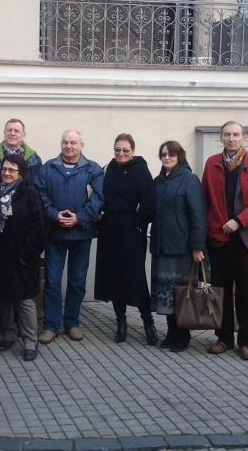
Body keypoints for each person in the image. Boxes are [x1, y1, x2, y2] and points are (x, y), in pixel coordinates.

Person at [202, 121, 248, 361]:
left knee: (245, 294)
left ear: (244, 137)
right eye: (227, 135)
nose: (231, 139)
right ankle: (223, 338)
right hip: (218, 238)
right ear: (221, 138)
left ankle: (246, 341)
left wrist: (239, 221)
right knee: (218, 291)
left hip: (244, 238)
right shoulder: (212, 164)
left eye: (236, 134)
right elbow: (206, 199)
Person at [35, 130, 104, 344]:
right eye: (65, 142)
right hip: (55, 233)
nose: (69, 146)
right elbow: (40, 194)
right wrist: (53, 214)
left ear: (81, 145)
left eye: (73, 143)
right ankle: (51, 325)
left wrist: (80, 217)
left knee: (77, 281)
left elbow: (100, 197)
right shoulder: (48, 168)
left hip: (81, 233)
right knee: (53, 282)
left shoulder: (92, 169)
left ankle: (72, 322)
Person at [94, 134, 157, 345]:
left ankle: (148, 321)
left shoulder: (140, 170)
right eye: (117, 149)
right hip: (110, 230)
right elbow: (103, 197)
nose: (121, 154)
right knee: (114, 276)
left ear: (133, 151)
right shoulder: (109, 168)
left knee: (135, 277)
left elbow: (149, 204)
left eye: (125, 150)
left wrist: (136, 223)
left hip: (131, 232)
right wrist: (101, 213)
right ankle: (121, 322)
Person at [0, 154, 47, 361]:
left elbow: (38, 229)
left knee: (24, 300)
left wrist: (26, 255)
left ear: (20, 173)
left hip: (22, 257)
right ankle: (8, 333)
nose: (6, 173)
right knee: (3, 297)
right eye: (4, 169)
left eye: (11, 170)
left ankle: (30, 341)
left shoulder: (29, 194)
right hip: (0, 255)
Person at [150, 140, 206, 353]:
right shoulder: (158, 182)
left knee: (182, 294)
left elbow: (198, 216)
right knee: (168, 294)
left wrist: (197, 247)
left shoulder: (189, 180)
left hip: (182, 249)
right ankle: (172, 333)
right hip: (161, 247)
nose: (166, 157)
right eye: (163, 154)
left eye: (171, 154)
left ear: (179, 156)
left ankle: (183, 335)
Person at [0, 118, 42, 196]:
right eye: (9, 130)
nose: (12, 133)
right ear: (4, 133)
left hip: (25, 206)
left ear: (23, 135)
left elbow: (38, 189)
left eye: (16, 131)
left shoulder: (34, 160)